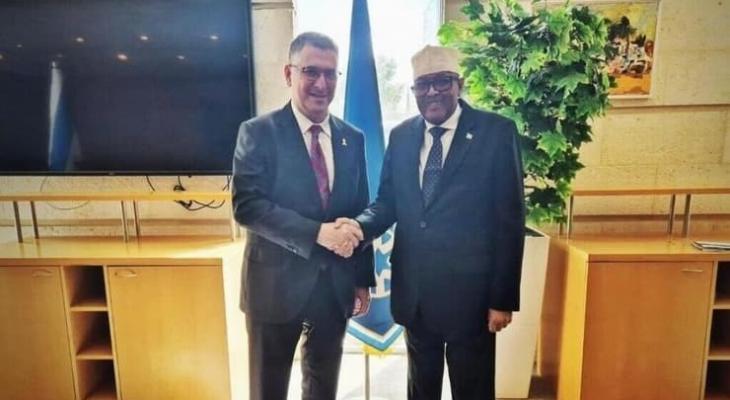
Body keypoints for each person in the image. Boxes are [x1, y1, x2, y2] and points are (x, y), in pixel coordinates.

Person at [340, 45, 525, 399]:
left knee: (473, 390)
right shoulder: (401, 136)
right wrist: (358, 227)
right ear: (414, 91)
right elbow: (388, 202)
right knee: (420, 389)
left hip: (471, 299)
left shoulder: (496, 132)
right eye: (423, 85)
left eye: (442, 82)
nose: (432, 92)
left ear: (460, 84)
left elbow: (510, 219)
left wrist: (502, 299)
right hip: (417, 295)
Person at [232, 32, 375, 400]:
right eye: (311, 71)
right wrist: (317, 233)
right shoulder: (257, 132)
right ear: (288, 73)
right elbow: (247, 205)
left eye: (330, 73)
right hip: (273, 286)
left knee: (323, 387)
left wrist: (362, 279)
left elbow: (359, 210)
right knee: (268, 390)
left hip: (334, 286)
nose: (321, 84)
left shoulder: (353, 138)